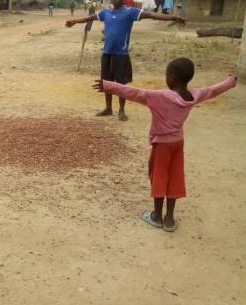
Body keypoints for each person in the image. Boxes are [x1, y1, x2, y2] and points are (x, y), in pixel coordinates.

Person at [93, 58, 237, 232]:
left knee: (159, 177)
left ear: (172, 76)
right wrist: (229, 82)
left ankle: (157, 217)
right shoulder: (193, 95)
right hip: (178, 143)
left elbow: (134, 93)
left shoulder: (161, 96)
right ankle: (169, 220)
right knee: (175, 177)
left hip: (162, 145)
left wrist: (108, 85)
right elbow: (213, 91)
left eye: (166, 75)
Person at [65, 0, 186, 121]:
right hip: (107, 53)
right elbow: (90, 18)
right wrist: (74, 21)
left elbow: (151, 15)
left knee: (121, 84)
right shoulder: (106, 12)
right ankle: (108, 108)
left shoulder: (130, 12)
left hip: (121, 55)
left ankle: (121, 110)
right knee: (106, 82)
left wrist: (173, 18)